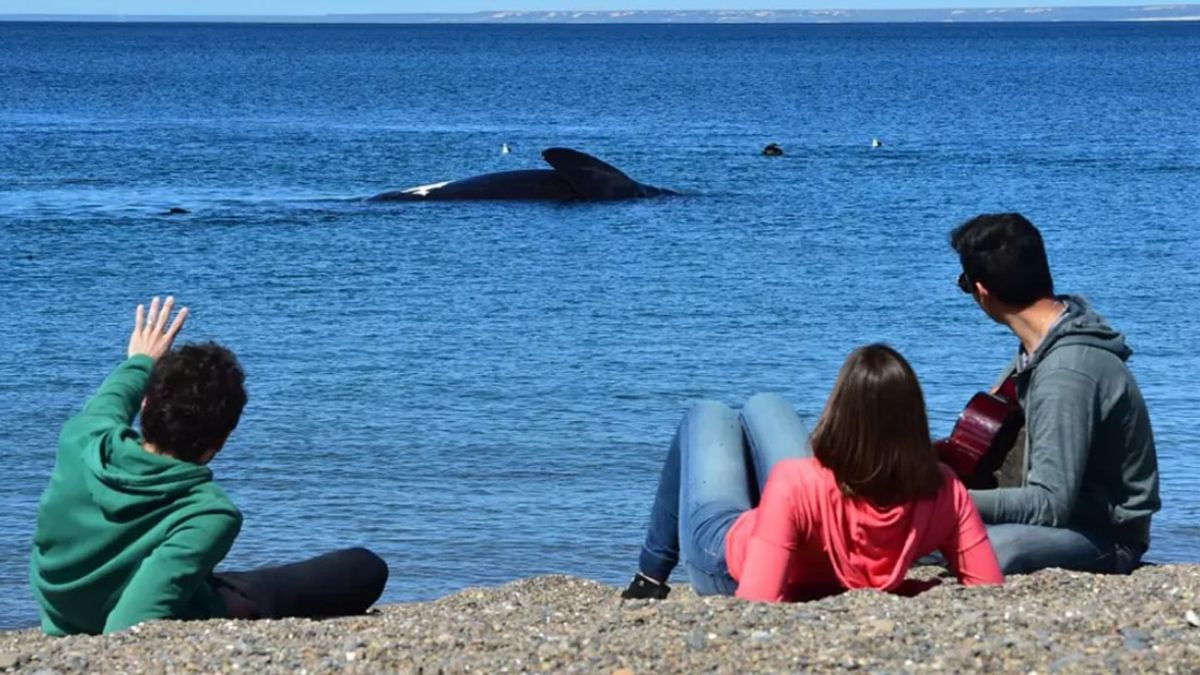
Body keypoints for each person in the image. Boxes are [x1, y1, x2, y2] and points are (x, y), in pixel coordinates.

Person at [30, 297, 389, 635]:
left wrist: (140, 361)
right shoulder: (207, 512)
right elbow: (128, 626)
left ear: (146, 405)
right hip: (153, 612)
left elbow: (113, 397)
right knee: (363, 567)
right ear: (221, 441)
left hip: (63, 618)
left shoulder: (82, 439)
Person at [622, 344, 1002, 602]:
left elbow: (757, 598)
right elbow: (988, 587)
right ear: (915, 420)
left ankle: (650, 577)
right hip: (787, 522)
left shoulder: (798, 482)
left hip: (724, 555)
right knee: (765, 404)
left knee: (706, 414)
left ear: (839, 414)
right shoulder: (944, 488)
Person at [949, 213, 1160, 575]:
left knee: (986, 549)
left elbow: (1049, 503)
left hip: (1105, 535)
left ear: (982, 292)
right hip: (1064, 522)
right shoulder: (1039, 350)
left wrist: (946, 502)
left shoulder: (1066, 372)